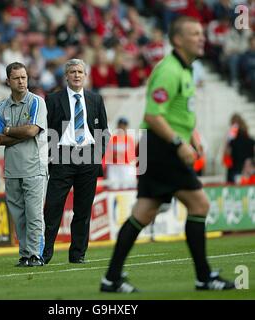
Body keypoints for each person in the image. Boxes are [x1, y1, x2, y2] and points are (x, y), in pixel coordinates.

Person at [100, 16, 235, 293]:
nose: (201, 37)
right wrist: (178, 143)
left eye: (201, 33)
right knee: (199, 205)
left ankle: (111, 278)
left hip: (160, 146)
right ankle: (204, 277)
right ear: (177, 40)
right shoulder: (170, 71)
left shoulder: (186, 70)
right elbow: (153, 115)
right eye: (194, 34)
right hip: (161, 147)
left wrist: (192, 140)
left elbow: (178, 114)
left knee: (144, 211)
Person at [43, 59, 110, 264]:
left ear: (85, 75)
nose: (76, 75)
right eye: (72, 72)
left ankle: (78, 254)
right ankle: (44, 254)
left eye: (80, 71)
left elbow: (103, 131)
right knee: (53, 207)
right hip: (63, 157)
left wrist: (96, 155)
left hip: (88, 157)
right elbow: (46, 131)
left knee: (83, 210)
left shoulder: (95, 99)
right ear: (66, 76)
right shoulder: (53, 99)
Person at [0, 62, 48, 267]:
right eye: (17, 78)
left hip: (34, 166)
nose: (22, 81)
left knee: (34, 214)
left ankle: (36, 255)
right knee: (19, 217)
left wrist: (8, 131)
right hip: (12, 169)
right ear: (8, 81)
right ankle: (25, 254)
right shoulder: (1, 108)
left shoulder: (36, 102)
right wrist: (18, 133)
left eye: (24, 77)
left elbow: (32, 131)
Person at [105, 117, 137, 190]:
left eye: (124, 125)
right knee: (113, 187)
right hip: (114, 166)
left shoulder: (130, 139)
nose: (122, 127)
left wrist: (121, 155)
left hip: (126, 167)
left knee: (126, 187)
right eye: (120, 125)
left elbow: (132, 155)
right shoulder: (112, 138)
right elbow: (108, 153)